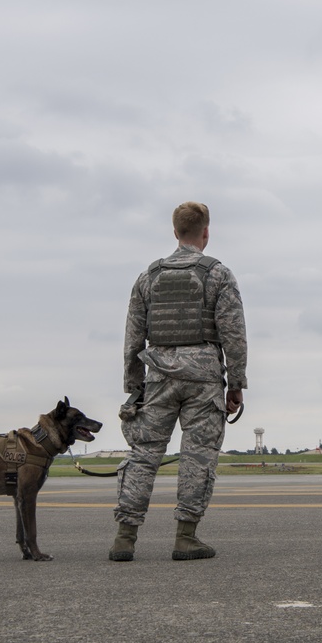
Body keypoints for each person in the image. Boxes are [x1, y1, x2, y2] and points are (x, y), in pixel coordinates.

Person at [110, 201, 247, 561]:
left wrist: (134, 388)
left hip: (158, 374)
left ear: (174, 233)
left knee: (142, 455)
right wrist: (236, 384)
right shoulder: (218, 274)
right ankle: (186, 538)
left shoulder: (148, 277)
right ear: (206, 232)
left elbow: (132, 338)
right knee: (197, 457)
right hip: (203, 377)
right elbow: (234, 334)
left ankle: (125, 538)